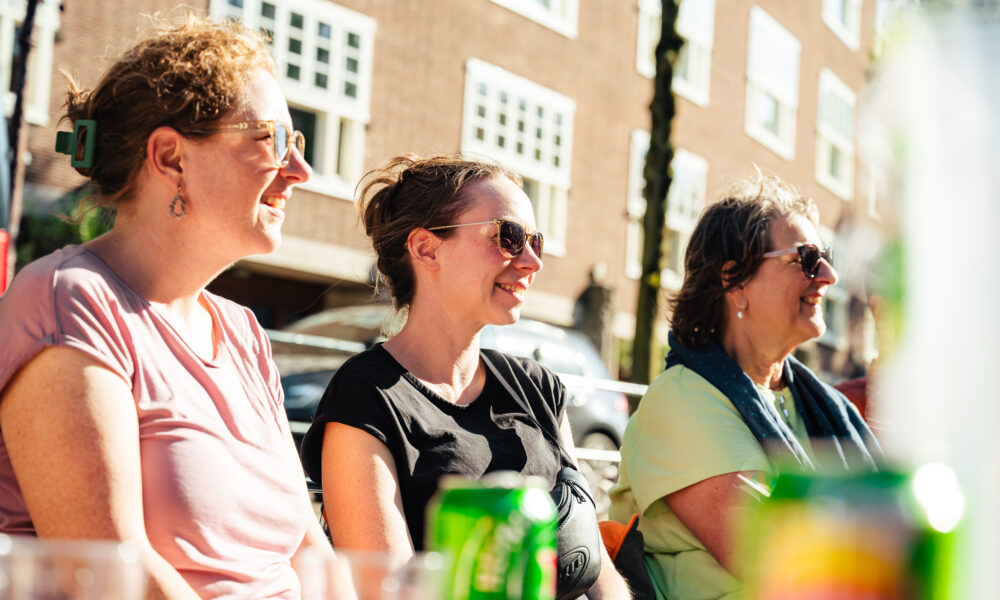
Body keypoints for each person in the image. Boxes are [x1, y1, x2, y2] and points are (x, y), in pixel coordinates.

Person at [0, 16, 333, 599]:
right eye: (274, 140)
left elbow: (311, 555)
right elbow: (111, 576)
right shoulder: (70, 300)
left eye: (297, 143)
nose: (300, 172)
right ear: (171, 158)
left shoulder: (243, 333)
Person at [300, 154, 631, 598]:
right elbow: (387, 591)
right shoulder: (368, 397)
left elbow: (601, 578)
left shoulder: (538, 388)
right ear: (426, 248)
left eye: (536, 240)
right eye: (508, 236)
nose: (532, 260)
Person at [608, 174, 884, 600]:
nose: (828, 275)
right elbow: (783, 562)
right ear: (735, 280)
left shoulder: (823, 404)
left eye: (825, 256)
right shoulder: (683, 401)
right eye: (807, 258)